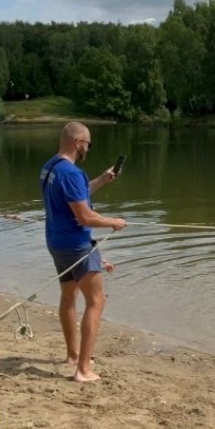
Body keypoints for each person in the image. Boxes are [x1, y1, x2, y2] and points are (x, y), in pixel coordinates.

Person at [40, 122, 127, 382]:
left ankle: (72, 355)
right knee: (97, 301)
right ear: (78, 143)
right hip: (75, 244)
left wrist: (102, 179)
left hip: (56, 242)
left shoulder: (50, 167)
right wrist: (113, 221)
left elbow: (74, 196)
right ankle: (84, 370)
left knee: (68, 296)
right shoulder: (71, 173)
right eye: (88, 144)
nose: (88, 148)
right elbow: (84, 217)